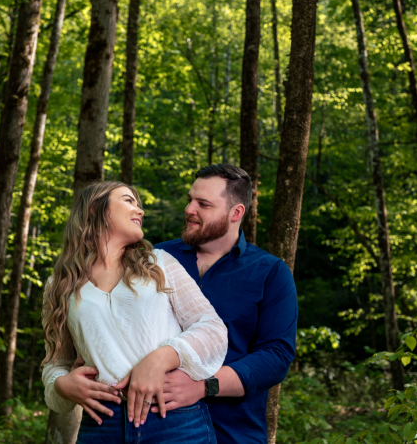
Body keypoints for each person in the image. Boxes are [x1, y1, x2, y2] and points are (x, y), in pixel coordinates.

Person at [41, 181, 228, 444]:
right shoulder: (59, 286)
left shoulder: (159, 263)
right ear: (95, 208)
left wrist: (162, 358)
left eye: (138, 204)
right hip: (101, 425)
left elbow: (212, 328)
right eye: (128, 201)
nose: (139, 210)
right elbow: (55, 363)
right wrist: (63, 384)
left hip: (173, 420)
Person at [152, 164, 298, 444]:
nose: (189, 209)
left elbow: (276, 356)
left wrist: (204, 385)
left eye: (203, 204)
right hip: (153, 429)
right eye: (190, 199)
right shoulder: (155, 258)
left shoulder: (270, 272)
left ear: (236, 213)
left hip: (232, 433)